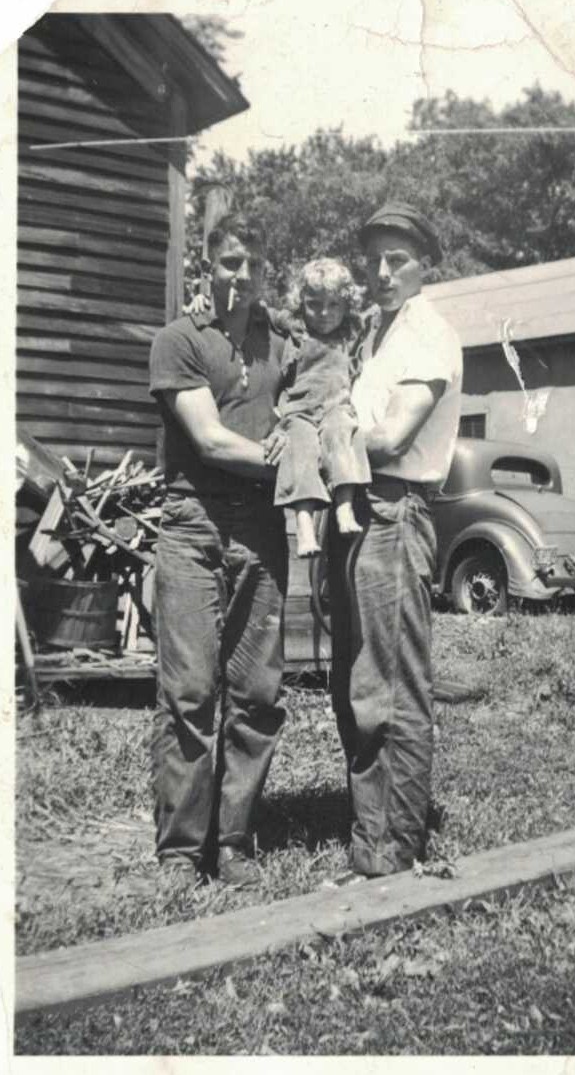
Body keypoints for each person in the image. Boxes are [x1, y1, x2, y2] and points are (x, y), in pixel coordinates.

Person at [148, 211, 291, 890]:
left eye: (254, 263)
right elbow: (207, 440)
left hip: (262, 526)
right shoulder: (178, 339)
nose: (243, 274)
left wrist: (307, 433)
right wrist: (297, 462)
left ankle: (233, 840)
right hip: (192, 523)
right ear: (208, 265)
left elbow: (326, 381)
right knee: (190, 689)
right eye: (231, 261)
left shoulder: (281, 342)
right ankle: (181, 851)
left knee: (257, 690)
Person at [328, 202, 463, 883]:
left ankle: (392, 845)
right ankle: (369, 830)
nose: (381, 273)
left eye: (397, 260)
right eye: (373, 260)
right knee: (355, 680)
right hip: (360, 506)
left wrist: (322, 436)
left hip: (396, 508)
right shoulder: (378, 334)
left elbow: (390, 437)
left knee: (391, 685)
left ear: (426, 263)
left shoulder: (429, 332)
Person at [273, 257, 371, 557]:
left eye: (334, 305)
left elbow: (378, 313)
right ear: (301, 303)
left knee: (341, 435)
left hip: (335, 407)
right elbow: (258, 311)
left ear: (346, 305)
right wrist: (202, 298)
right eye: (314, 304)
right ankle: (304, 528)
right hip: (299, 411)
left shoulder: (351, 331)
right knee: (300, 450)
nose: (324, 313)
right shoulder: (295, 328)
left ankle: (344, 509)